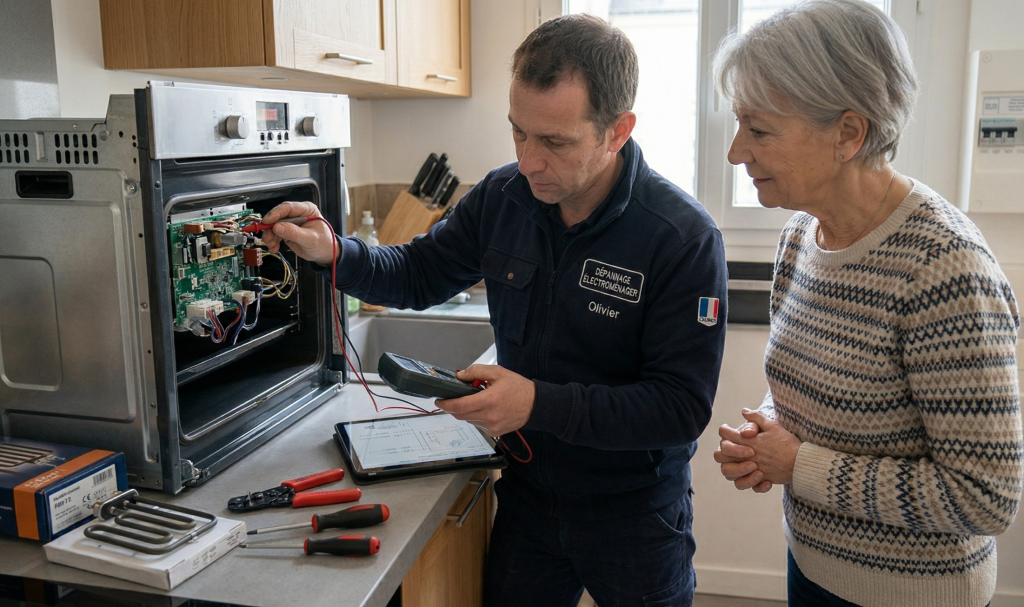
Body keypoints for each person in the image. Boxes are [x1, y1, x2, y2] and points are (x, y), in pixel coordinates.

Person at [261, 13, 727, 607]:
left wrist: (536, 402)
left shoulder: (682, 237)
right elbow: (419, 271)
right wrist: (335, 252)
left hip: (634, 514)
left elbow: (679, 408)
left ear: (617, 131)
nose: (529, 161)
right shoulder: (503, 196)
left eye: (555, 142)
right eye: (518, 133)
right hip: (529, 499)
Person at [710, 1, 1023, 606]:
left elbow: (985, 498)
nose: (735, 153)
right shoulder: (803, 234)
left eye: (760, 129)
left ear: (848, 134)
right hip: (812, 567)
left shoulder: (945, 269)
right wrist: (769, 431)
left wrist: (798, 464)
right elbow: (816, 389)